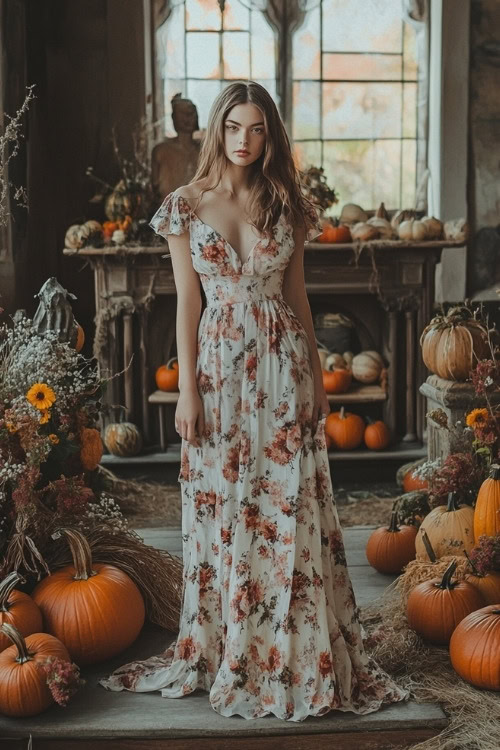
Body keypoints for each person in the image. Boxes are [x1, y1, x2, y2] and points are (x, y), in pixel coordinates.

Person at [100, 80, 409, 721]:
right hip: (216, 369)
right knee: (223, 500)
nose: (245, 140)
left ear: (271, 135)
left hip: (283, 366)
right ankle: (229, 642)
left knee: (285, 503)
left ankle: (288, 644)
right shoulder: (185, 206)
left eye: (257, 128)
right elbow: (188, 302)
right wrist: (186, 390)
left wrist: (318, 383)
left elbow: (298, 298)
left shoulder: (285, 204)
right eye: (234, 127)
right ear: (218, 131)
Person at [151, 93, 201, 206]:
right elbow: (155, 191)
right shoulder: (161, 151)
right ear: (174, 118)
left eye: (191, 112)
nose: (188, 117)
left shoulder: (206, 150)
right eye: (182, 113)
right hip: (170, 213)